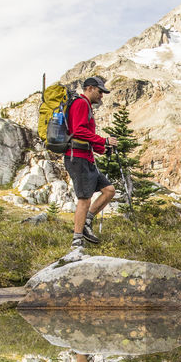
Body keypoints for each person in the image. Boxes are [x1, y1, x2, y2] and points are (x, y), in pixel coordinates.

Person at [64, 75, 118, 252]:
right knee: (84, 198)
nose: (102, 95)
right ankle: (77, 240)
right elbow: (78, 130)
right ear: (90, 88)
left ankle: (87, 220)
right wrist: (103, 140)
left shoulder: (86, 106)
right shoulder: (80, 103)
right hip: (77, 158)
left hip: (86, 157)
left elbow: (86, 135)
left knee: (109, 190)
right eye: (100, 91)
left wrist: (103, 148)